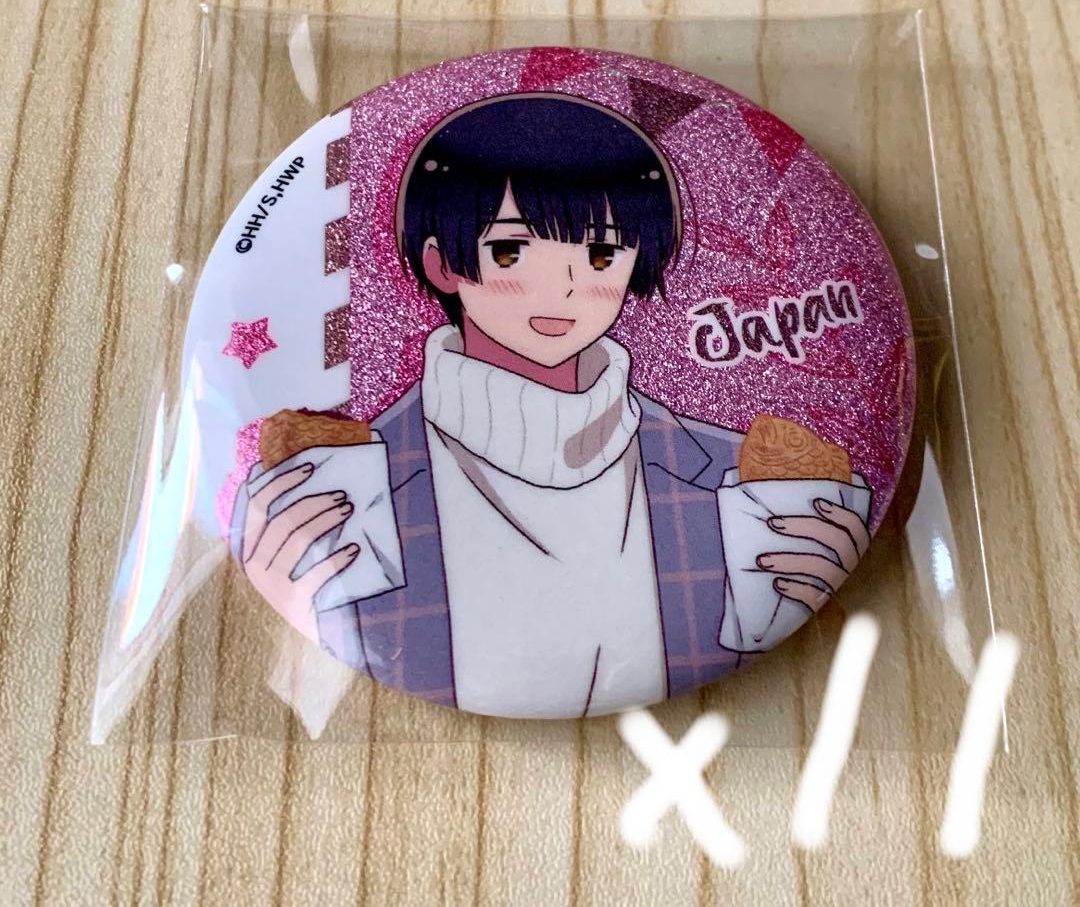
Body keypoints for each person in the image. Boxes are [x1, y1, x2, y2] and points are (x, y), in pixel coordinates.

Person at [237, 94, 870, 717]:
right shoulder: (331, 495)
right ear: (440, 264)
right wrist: (288, 592)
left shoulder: (734, 486)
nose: (564, 289)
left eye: (600, 255)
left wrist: (807, 584)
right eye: (510, 251)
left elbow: (745, 638)